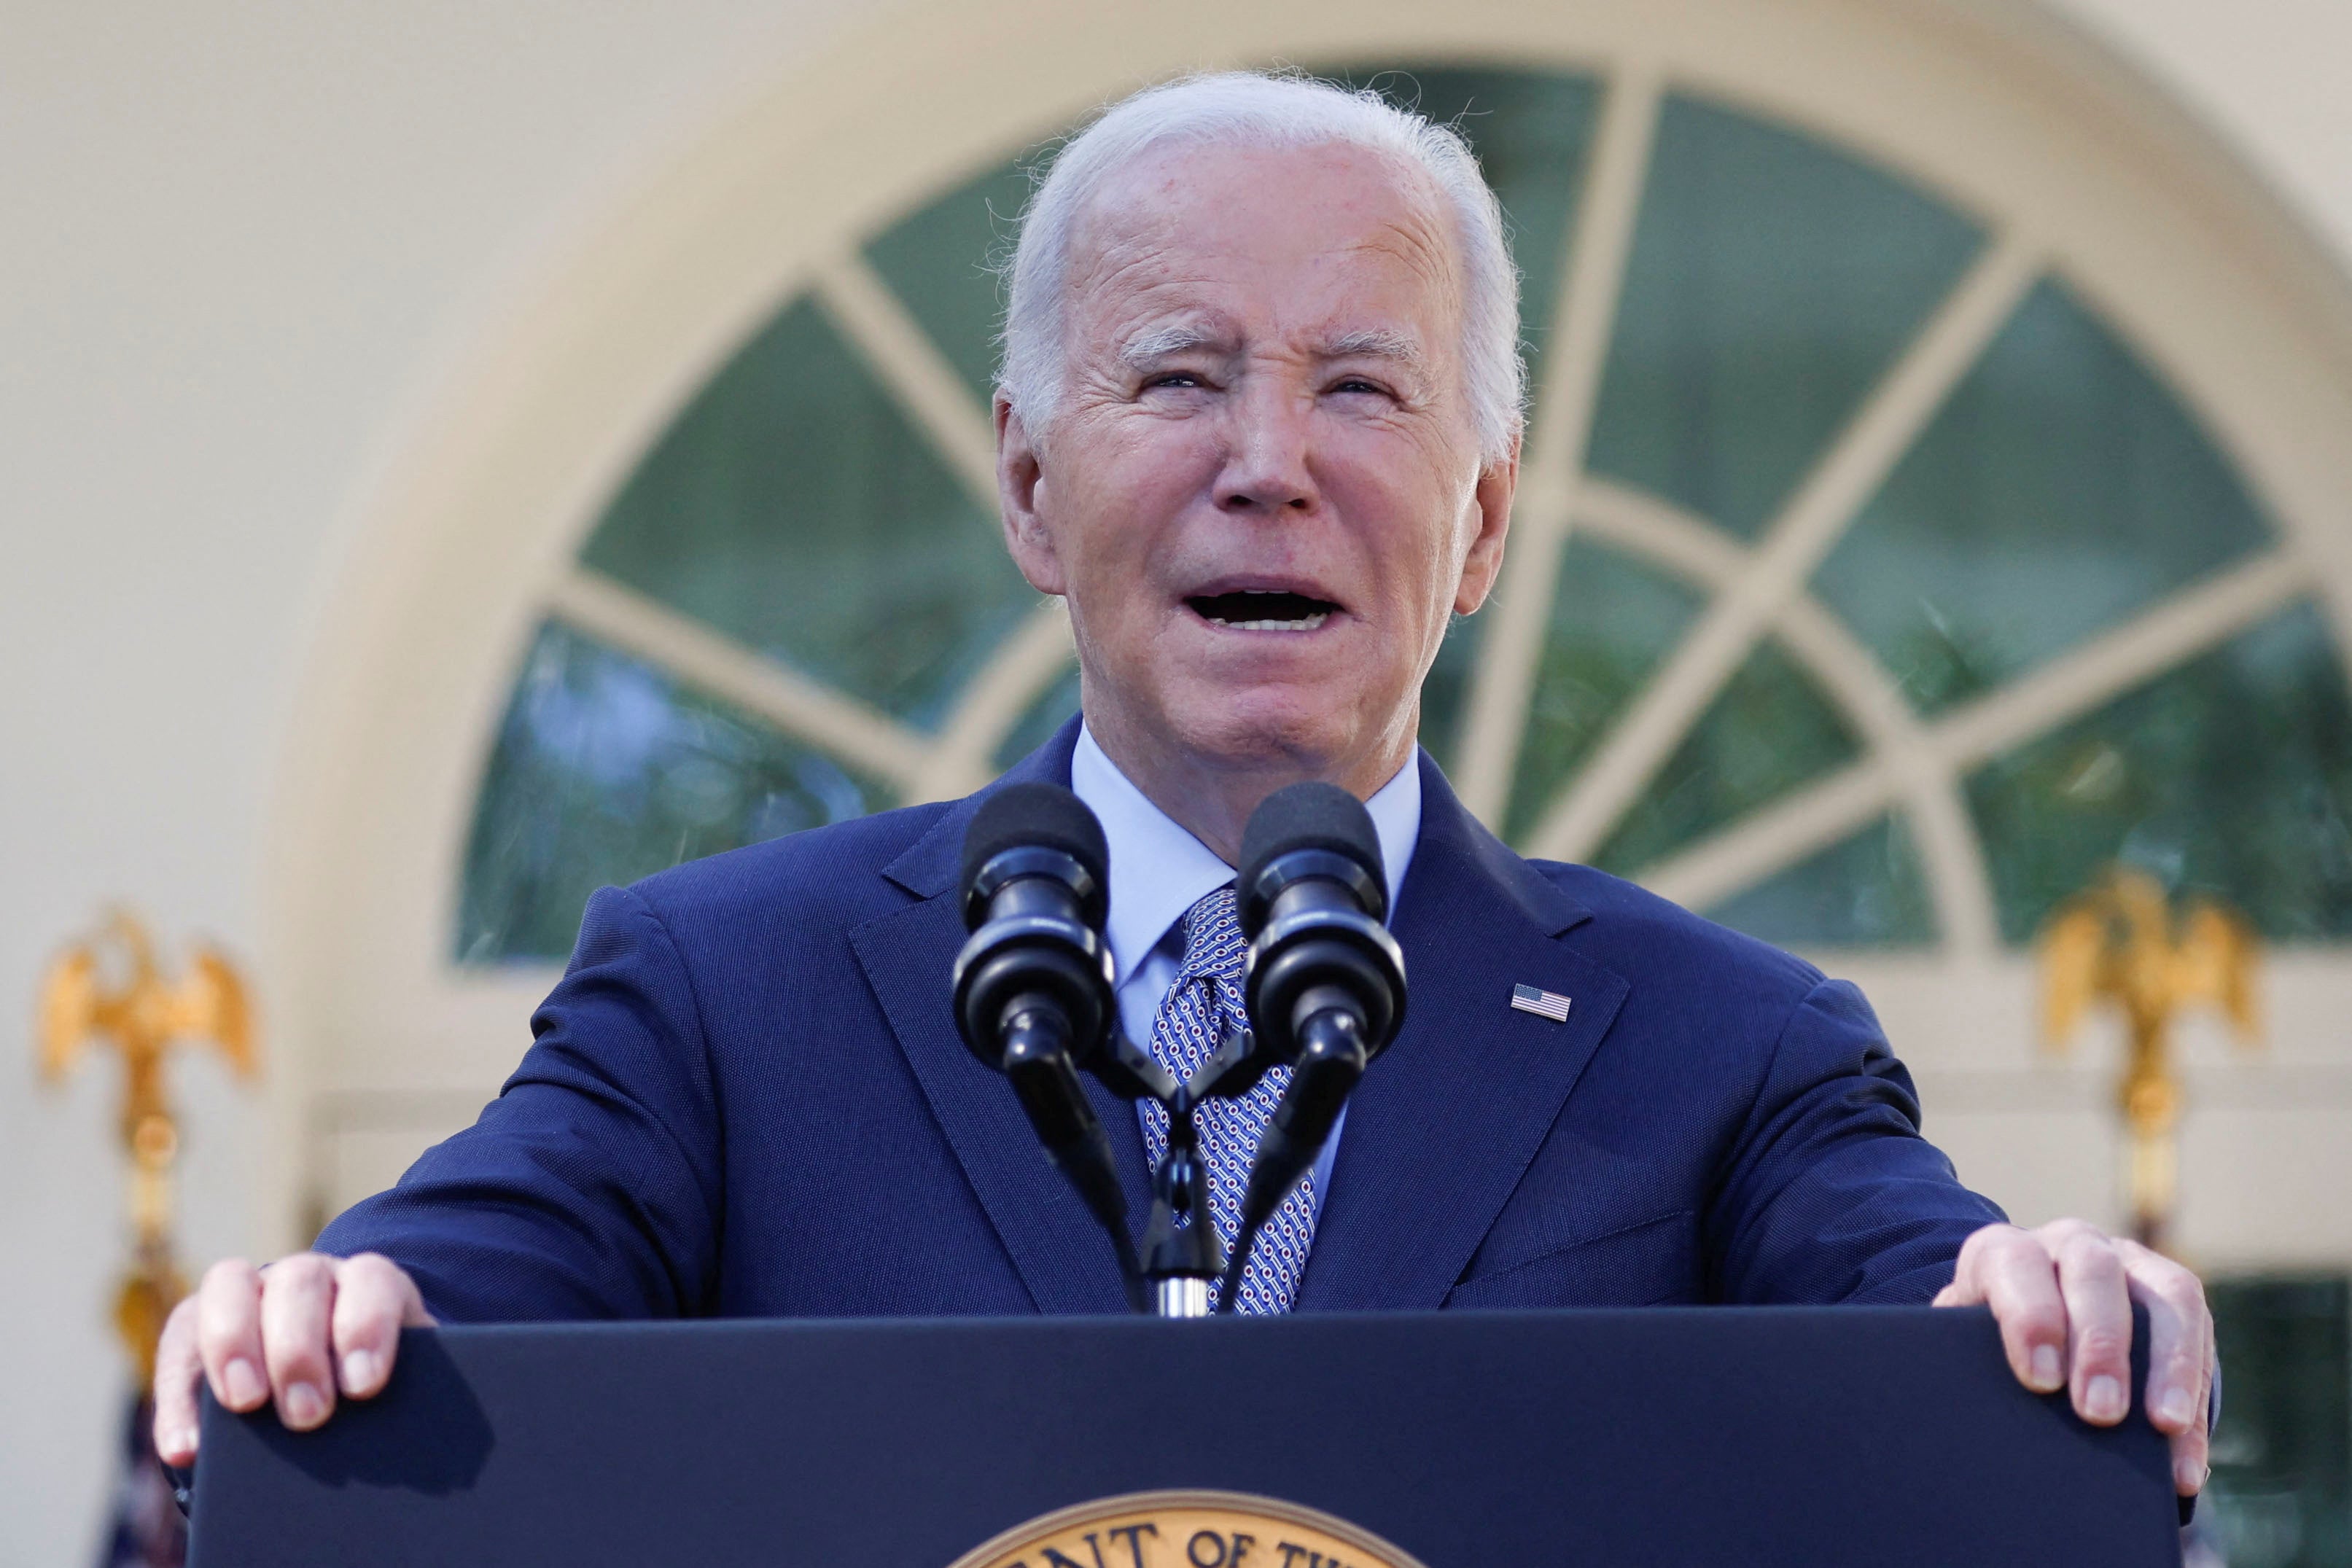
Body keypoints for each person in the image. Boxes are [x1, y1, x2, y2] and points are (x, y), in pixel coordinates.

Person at [152, 71, 2214, 1502]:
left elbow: (1916, 1303)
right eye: (1175, 375)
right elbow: (439, 1305)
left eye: (1359, 386)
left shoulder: (1722, 1054)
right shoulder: (720, 1002)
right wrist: (330, 1316)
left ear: (1482, 523)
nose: (1267, 460)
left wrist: (2026, 1304)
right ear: (1031, 488)